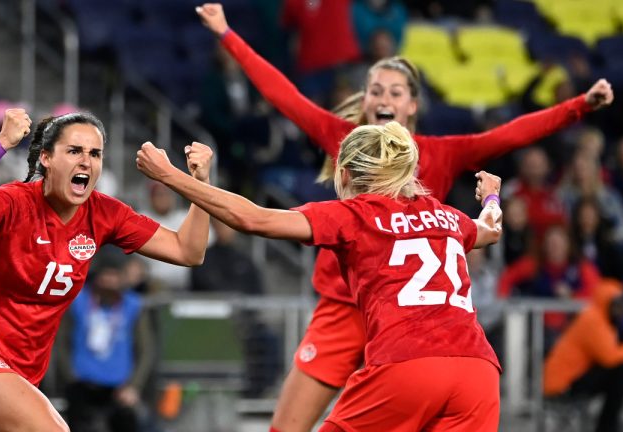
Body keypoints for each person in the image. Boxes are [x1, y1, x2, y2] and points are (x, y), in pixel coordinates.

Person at [195, 3, 614, 430]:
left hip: (415, 319)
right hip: (346, 309)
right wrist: (228, 34)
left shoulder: (441, 152)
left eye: (395, 92)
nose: (383, 98)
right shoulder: (347, 139)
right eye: (375, 89)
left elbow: (509, 135)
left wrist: (577, 105)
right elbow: (284, 95)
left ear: (412, 104)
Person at [136, 122, 505, 431]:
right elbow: (490, 229)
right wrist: (491, 197)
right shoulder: (446, 216)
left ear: (344, 174)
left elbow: (254, 218)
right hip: (479, 373)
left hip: (407, 366)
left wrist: (169, 176)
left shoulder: (356, 213)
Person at [0, 108, 212, 431]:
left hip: (20, 377)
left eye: (95, 153)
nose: (86, 161)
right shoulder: (17, 202)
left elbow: (188, 251)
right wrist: (2, 142)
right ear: (46, 158)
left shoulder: (104, 213)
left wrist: (199, 183)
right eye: (74, 151)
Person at [56, 250, 154, 432]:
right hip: (82, 386)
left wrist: (134, 386)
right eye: (106, 274)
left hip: (120, 390)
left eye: (115, 275)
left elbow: (145, 350)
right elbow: (61, 342)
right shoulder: (78, 299)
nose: (111, 280)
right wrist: (70, 377)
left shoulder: (133, 305)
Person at [543, 279, 623, 432]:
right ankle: (607, 427)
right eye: (617, 306)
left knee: (622, 369)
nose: (621, 311)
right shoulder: (594, 320)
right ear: (606, 304)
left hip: (569, 379)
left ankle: (607, 425)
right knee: (622, 371)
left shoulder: (598, 318)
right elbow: (609, 357)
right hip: (562, 386)